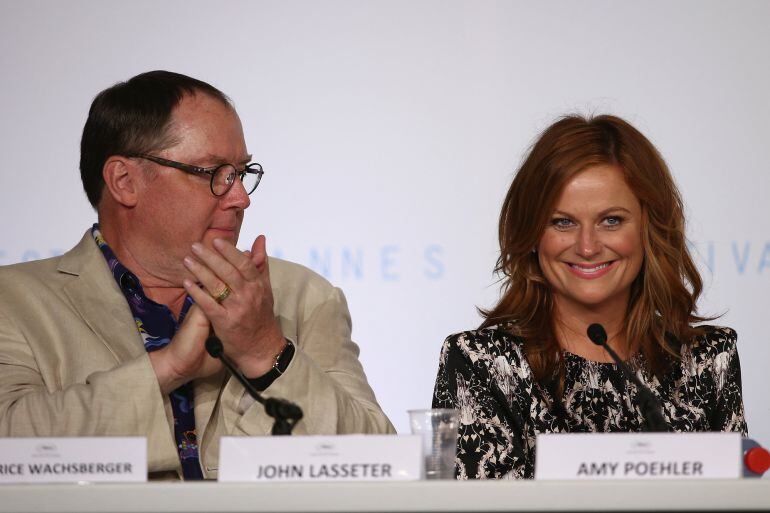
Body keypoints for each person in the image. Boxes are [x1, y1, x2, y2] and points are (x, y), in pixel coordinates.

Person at [0, 70, 394, 479]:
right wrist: (168, 367)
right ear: (124, 181)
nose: (240, 197)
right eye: (213, 174)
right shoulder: (13, 302)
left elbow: (378, 465)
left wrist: (264, 351)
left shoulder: (303, 296)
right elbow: (10, 440)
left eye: (241, 173)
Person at [432, 114, 747, 479]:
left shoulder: (707, 359)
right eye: (562, 222)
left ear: (650, 227)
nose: (587, 247)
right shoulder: (481, 363)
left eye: (611, 220)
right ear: (533, 234)